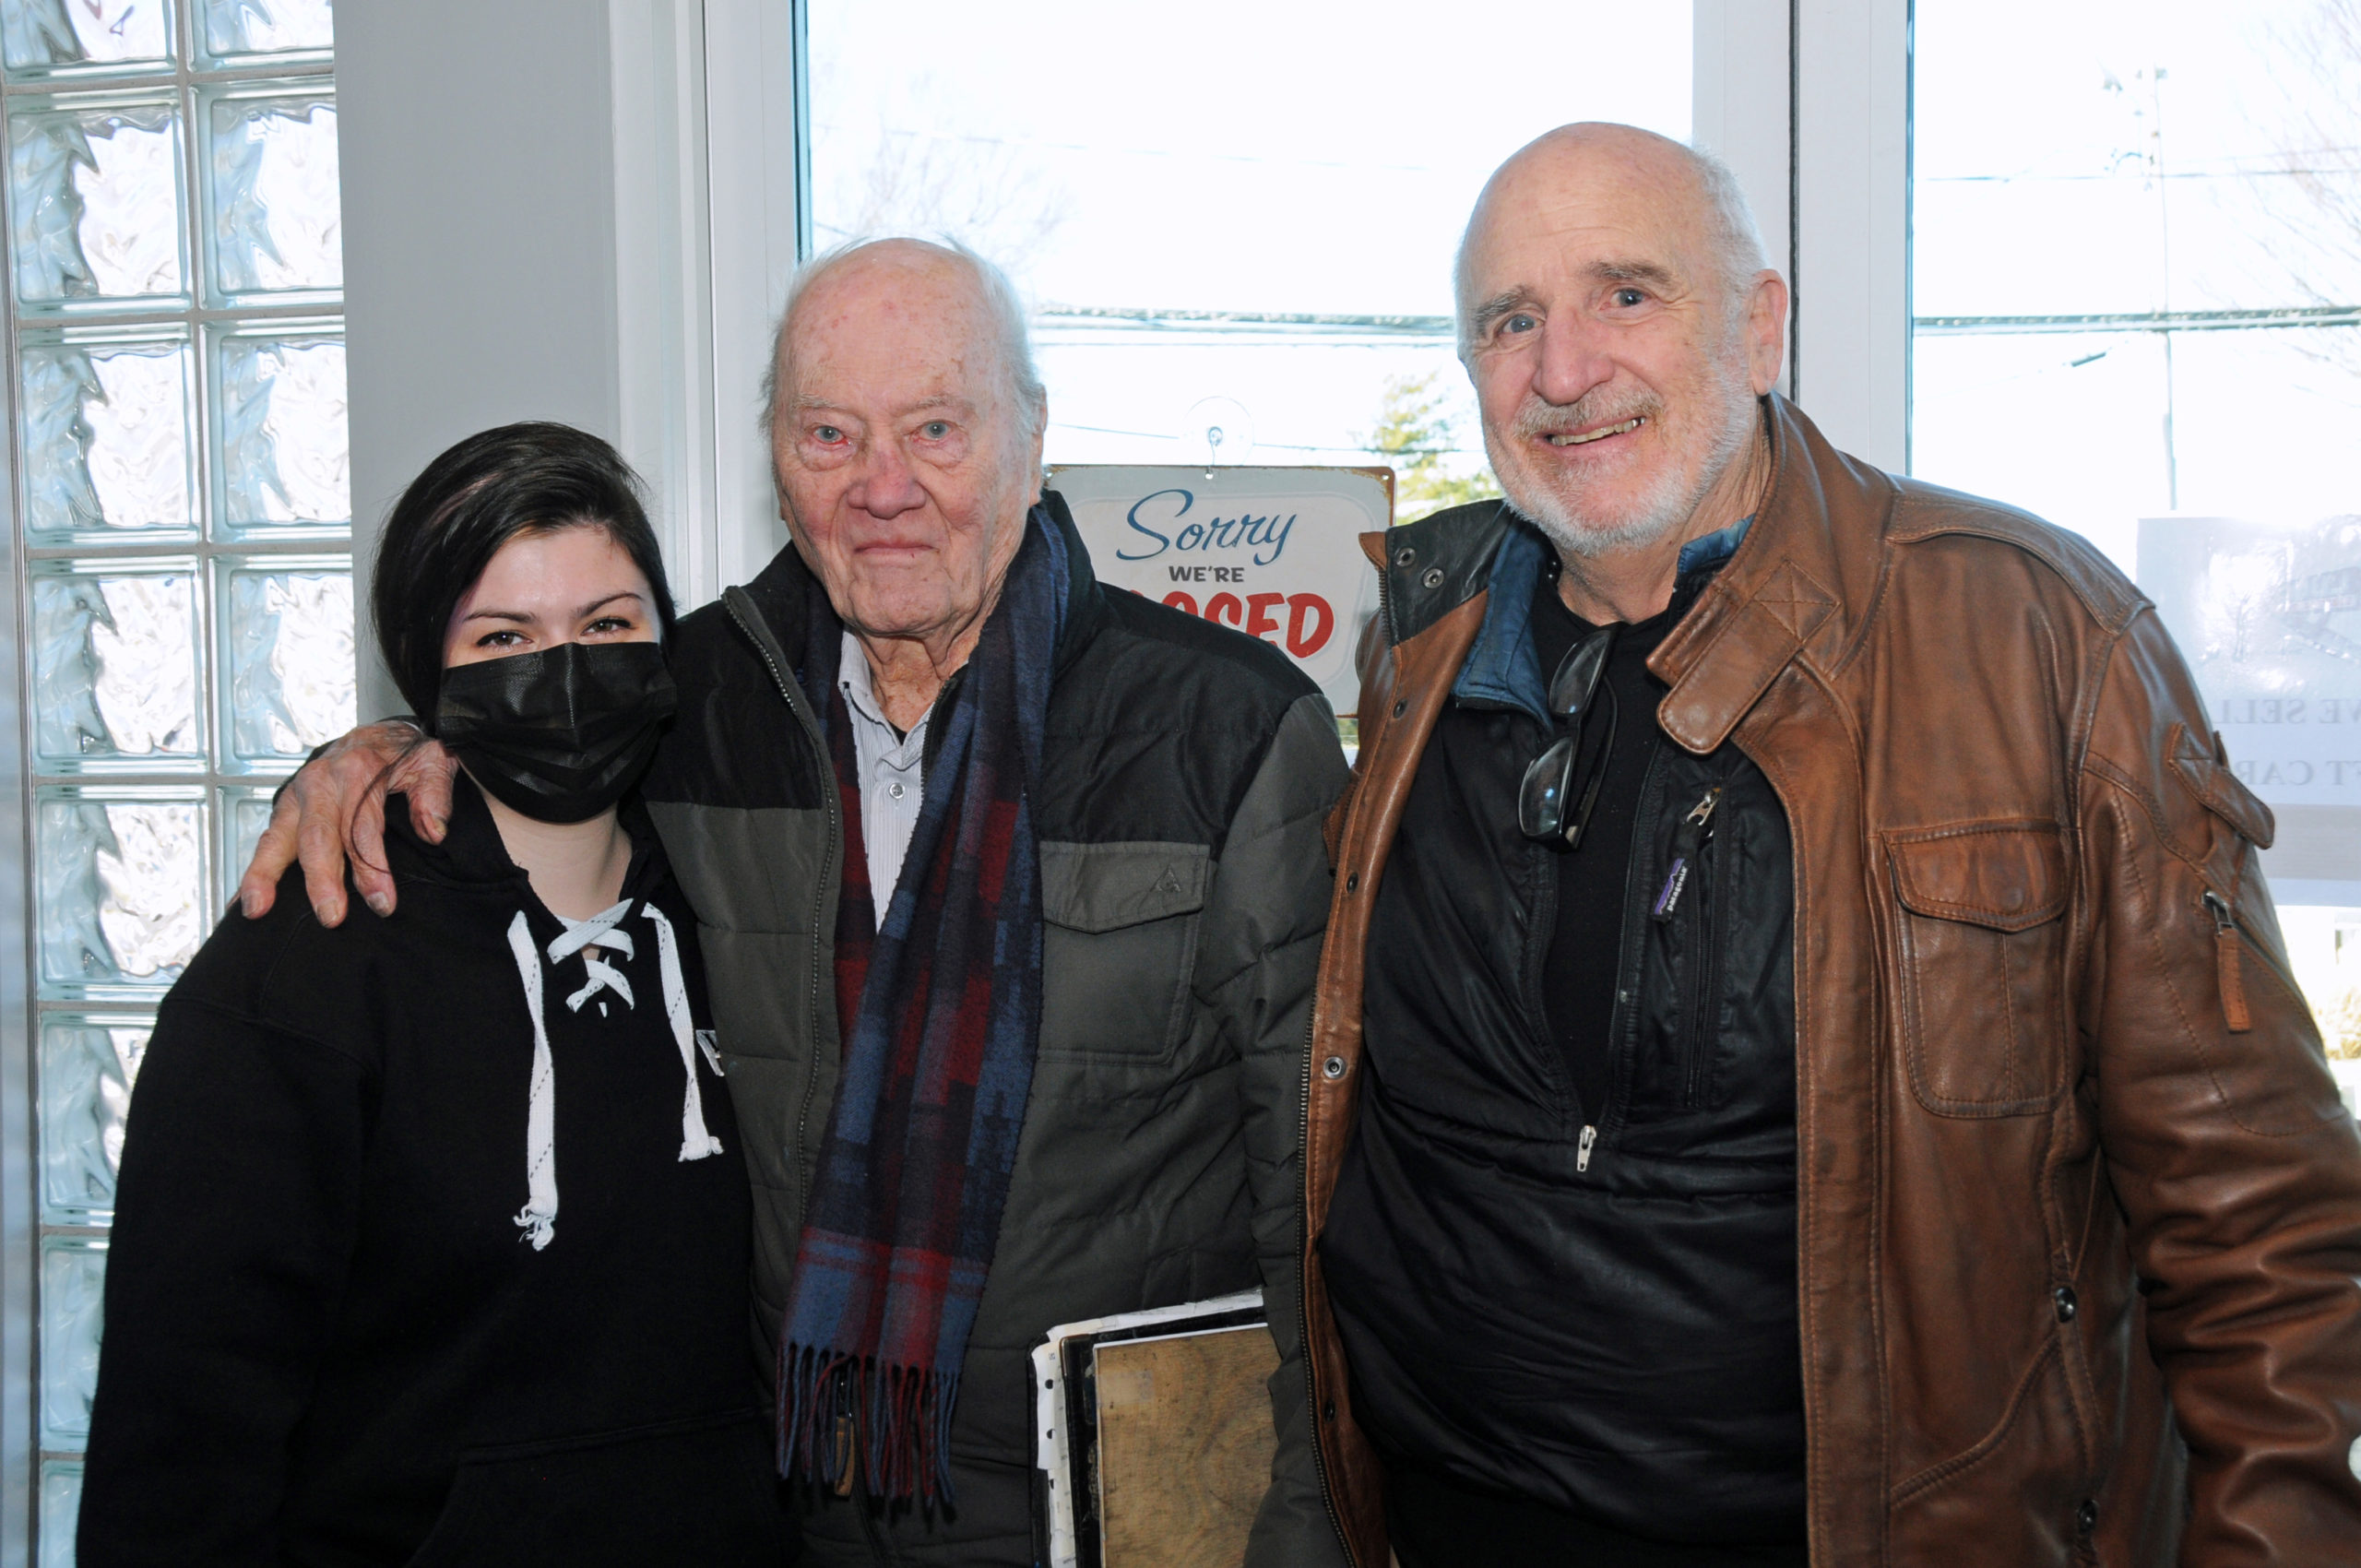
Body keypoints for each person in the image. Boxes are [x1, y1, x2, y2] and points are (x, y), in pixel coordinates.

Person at [1292, 122, 2361, 1568]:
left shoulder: (2037, 638)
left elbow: (2264, 1236)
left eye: (1626, 294)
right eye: (1510, 320)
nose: (1562, 369)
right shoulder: (1423, 656)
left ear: (1760, 325)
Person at [235, 239, 1350, 1563]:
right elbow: (528, 729)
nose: (884, 487)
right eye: (830, 433)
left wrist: (1310, 1538)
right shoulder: (688, 705)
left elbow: (1323, 1214)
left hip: (1130, 1521)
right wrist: (375, 751)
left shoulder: (1225, 728)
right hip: (792, 1512)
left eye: (936, 427)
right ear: (775, 455)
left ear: (1031, 438)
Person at [78, 423, 787, 1564]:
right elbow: (182, 1433)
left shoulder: (749, 920)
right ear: (426, 667)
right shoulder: (299, 974)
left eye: (607, 625)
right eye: (504, 634)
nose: (562, 670)